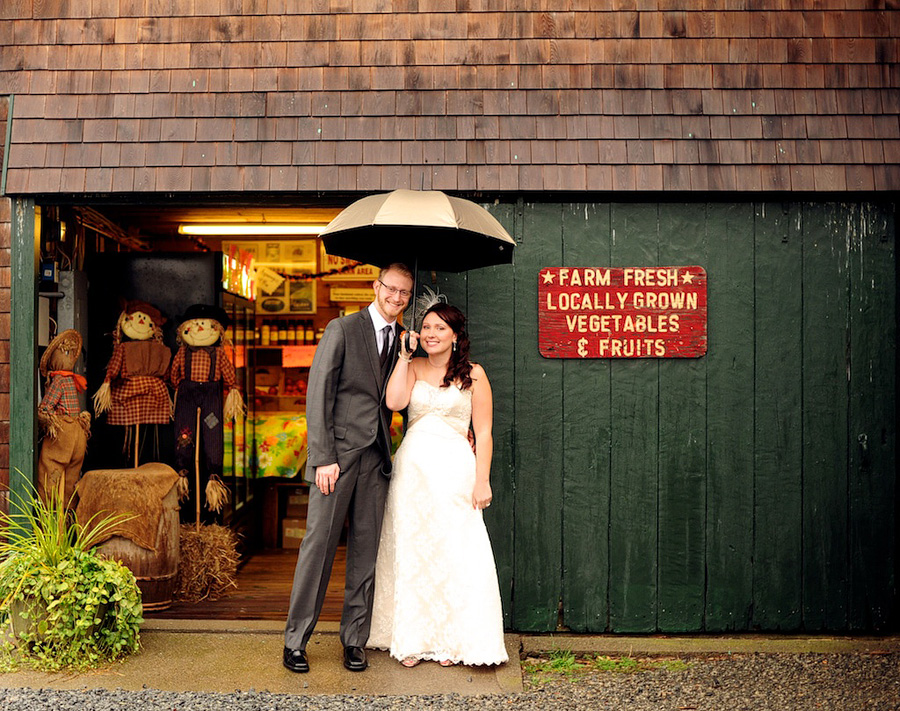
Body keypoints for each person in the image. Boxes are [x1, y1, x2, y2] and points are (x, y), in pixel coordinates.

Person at [283, 263, 414, 674]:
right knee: (318, 547)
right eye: (390, 289)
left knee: (365, 553)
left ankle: (354, 640)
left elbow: (401, 396)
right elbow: (317, 394)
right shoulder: (342, 329)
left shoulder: (403, 339)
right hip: (335, 459)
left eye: (404, 293)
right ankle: (296, 640)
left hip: (376, 459)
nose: (396, 298)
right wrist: (322, 456)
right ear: (376, 287)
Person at [368, 300, 508, 667]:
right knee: (413, 549)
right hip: (413, 472)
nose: (431, 334)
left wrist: (483, 481)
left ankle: (449, 639)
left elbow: (486, 432)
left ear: (456, 336)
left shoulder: (474, 374)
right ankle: (412, 638)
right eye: (426, 327)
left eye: (440, 328)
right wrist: (402, 356)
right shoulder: (411, 366)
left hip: (455, 472)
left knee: (452, 551)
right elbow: (394, 401)